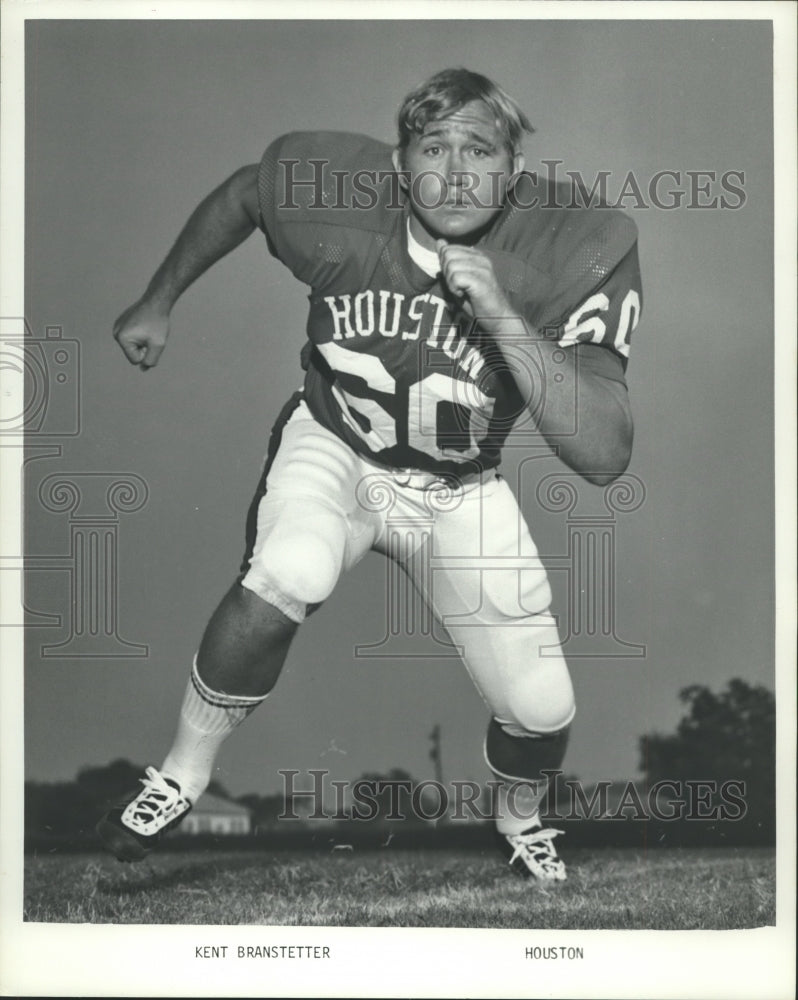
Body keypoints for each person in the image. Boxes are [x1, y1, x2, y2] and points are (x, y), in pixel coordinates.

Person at [97, 68, 641, 882]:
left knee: (540, 708)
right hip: (340, 446)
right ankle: (181, 772)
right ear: (398, 163)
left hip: (459, 487)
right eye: (434, 148)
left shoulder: (574, 244)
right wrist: (159, 297)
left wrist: (503, 316)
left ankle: (520, 819)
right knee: (291, 568)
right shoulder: (339, 196)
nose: (455, 173)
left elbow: (604, 453)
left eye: (479, 151)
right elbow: (245, 194)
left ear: (515, 169)